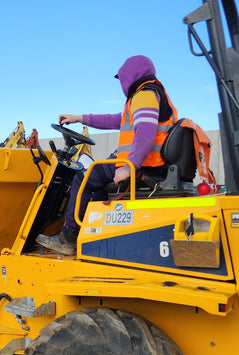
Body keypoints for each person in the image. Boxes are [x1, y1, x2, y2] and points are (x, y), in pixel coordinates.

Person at [37, 54, 179, 256]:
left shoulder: (145, 94)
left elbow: (146, 134)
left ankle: (69, 236)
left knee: (83, 178)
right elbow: (114, 120)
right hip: (142, 162)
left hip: (143, 163)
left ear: (130, 75)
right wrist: (79, 118)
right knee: (97, 183)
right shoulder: (146, 95)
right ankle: (98, 234)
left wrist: (129, 166)